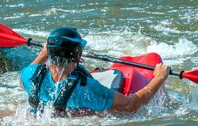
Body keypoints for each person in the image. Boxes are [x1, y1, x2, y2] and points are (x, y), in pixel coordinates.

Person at [19, 27, 170, 116]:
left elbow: (20, 82)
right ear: (78, 55)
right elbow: (132, 105)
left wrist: (43, 53)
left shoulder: (30, 74)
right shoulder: (87, 88)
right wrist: (159, 79)